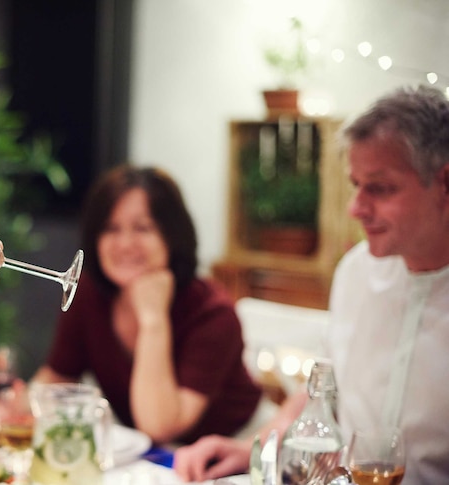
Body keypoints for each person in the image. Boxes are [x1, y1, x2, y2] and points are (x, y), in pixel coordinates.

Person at [174, 85, 449, 483]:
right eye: (356, 185)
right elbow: (323, 392)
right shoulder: (357, 272)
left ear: (444, 183)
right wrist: (255, 448)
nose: (356, 208)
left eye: (380, 187)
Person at [33, 165, 262, 444]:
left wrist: (153, 319)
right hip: (150, 453)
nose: (126, 243)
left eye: (143, 228)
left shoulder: (213, 314)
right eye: (110, 228)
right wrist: (12, 408)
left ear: (172, 236)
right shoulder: (91, 294)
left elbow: (159, 425)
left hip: (238, 450)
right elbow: (56, 378)